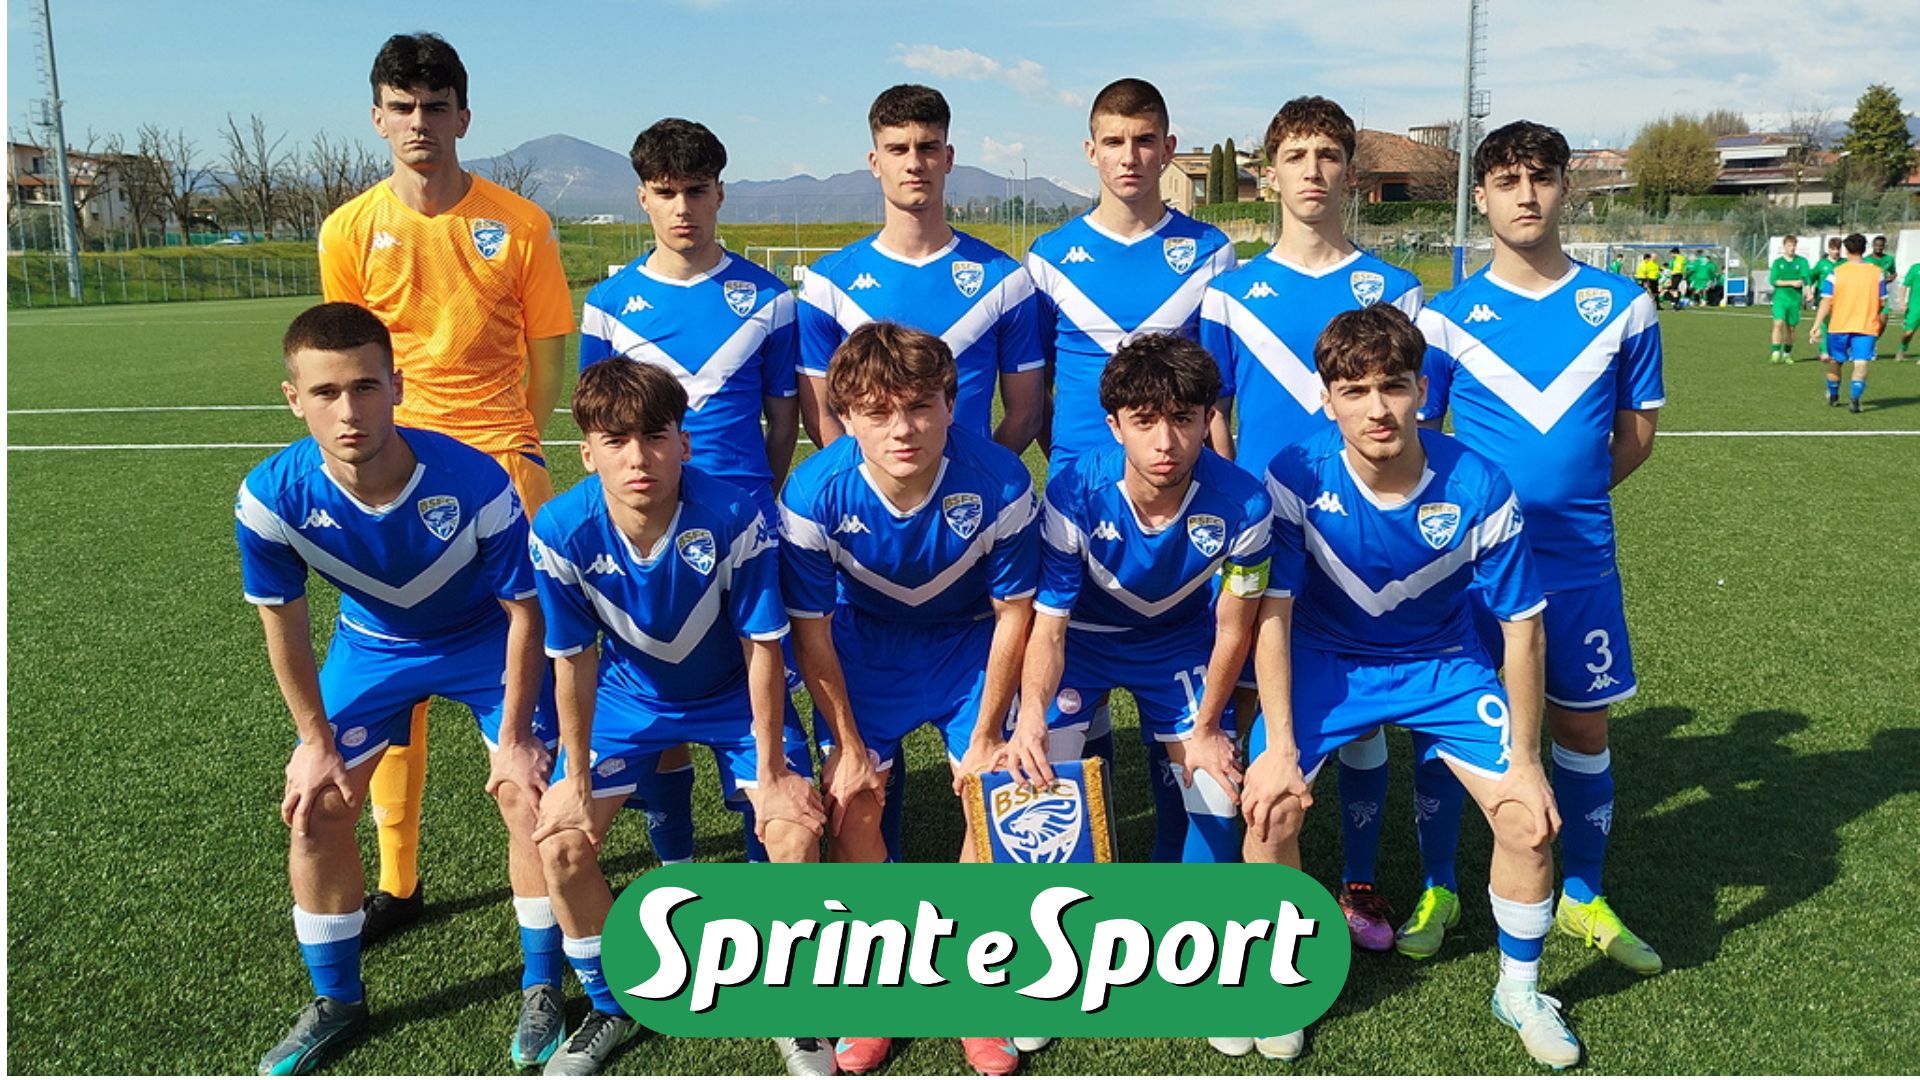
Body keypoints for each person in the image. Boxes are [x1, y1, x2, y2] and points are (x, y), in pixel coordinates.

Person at [1237, 303, 1576, 1069]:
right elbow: (1273, 615)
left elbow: (1523, 628)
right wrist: (1278, 746)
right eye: (1354, 391)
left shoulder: (1479, 485)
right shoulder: (1294, 475)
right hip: (1329, 659)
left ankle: (1520, 992)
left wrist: (1527, 759)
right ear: (1327, 399)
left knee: (1527, 818)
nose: (1377, 408)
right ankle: (1284, 983)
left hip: (1442, 664)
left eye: (1393, 386)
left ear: (1422, 389)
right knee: (1270, 808)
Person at [240, 303, 560, 1073]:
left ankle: (544, 982)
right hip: (374, 646)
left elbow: (526, 614)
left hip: (485, 640)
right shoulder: (271, 498)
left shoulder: (474, 480)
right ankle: (337, 1001)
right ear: (294, 399)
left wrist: (517, 738)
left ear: (398, 387)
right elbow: (283, 626)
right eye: (325, 392)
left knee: (529, 797)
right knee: (315, 805)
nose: (348, 411)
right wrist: (315, 742)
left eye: (365, 386)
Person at [317, 32, 574, 936]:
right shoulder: (348, 229)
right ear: (377, 117)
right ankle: (398, 881)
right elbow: (347, 356)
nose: (419, 122)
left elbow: (548, 348)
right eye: (402, 107)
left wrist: (520, 441)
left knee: (530, 662)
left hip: (502, 465)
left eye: (435, 106)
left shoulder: (520, 223)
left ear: (464, 116)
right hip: (392, 475)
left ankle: (555, 859)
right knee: (396, 666)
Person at [1408, 121, 1664, 976]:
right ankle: (1439, 886)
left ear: (1564, 189)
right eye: (1507, 181)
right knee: (1451, 727)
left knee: (1581, 728)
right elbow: (1424, 443)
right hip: (1473, 570)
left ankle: (1583, 895)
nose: (1526, 195)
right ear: (1480, 197)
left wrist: (1566, 498)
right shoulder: (1444, 319)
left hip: (1579, 561)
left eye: (1541, 178)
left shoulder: (1623, 306)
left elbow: (1636, 438)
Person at [527, 360, 828, 1076]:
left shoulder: (734, 515)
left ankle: (792, 1002)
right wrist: (573, 777)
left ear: (683, 443)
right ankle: (609, 1005)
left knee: (791, 832)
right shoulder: (560, 529)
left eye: (655, 437)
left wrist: (774, 774)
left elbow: (763, 647)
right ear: (587, 453)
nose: (639, 458)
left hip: (733, 694)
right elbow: (572, 659)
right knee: (560, 845)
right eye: (616, 440)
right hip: (629, 698)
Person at [779, 322, 1037, 1078]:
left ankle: (974, 982)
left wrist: (986, 736)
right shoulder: (814, 493)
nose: (903, 429)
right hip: (866, 649)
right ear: (844, 415)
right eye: (878, 411)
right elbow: (810, 630)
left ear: (950, 404)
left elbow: (1014, 614)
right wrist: (847, 744)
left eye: (921, 406)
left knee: (997, 797)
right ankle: (882, 980)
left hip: (967, 646)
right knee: (854, 802)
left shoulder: (1001, 482)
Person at [1197, 94, 1422, 951]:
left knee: (1360, 708)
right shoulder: (1229, 293)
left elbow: (1412, 420)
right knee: (1247, 693)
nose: (1313, 171)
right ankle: (1243, 878)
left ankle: (1358, 882)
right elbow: (1215, 418)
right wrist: (1237, 512)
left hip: (1362, 534)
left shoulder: (1394, 288)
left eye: (1328, 156)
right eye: (1296, 156)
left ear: (1351, 173)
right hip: (1265, 533)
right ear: (1269, 176)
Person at [578, 117, 804, 864]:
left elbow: (782, 419)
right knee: (658, 675)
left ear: (720, 195)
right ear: (642, 197)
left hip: (742, 528)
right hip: (644, 525)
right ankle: (674, 855)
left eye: (697, 191)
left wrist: (755, 499)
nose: (683, 208)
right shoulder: (609, 303)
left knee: (753, 678)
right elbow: (600, 418)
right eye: (666, 192)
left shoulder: (769, 298)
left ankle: (762, 853)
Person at [1026, 76, 1236, 863]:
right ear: (1090, 151)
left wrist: (1218, 487)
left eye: (1145, 140)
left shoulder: (1210, 251)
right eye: (1113, 141)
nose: (1130, 156)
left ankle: (1172, 872)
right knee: (1069, 708)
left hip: (1182, 501)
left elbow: (1213, 394)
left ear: (1169, 149)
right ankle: (1096, 859)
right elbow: (1034, 390)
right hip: (1083, 506)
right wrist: (1071, 467)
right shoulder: (1050, 257)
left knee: (1178, 702)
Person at [796, 84, 1044, 457]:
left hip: (969, 491)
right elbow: (821, 415)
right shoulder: (827, 284)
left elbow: (1025, 414)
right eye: (897, 149)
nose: (914, 163)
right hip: (870, 491)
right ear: (875, 162)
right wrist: (871, 481)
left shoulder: (1005, 280)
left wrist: (979, 476)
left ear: (948, 157)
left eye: (927, 147)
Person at [1810, 232, 1887, 412]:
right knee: (1861, 363)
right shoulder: (1877, 273)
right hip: (1866, 326)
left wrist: (1816, 325)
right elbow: (1882, 301)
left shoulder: (1837, 272)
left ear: (1846, 250)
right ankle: (1854, 398)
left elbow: (1826, 300)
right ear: (1864, 249)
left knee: (1835, 362)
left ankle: (1833, 395)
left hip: (1839, 325)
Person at [1768, 236, 1811, 363]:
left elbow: (1806, 279)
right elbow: (1773, 281)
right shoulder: (1778, 262)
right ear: (1784, 246)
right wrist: (1791, 282)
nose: (1791, 248)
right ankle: (1775, 352)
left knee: (1791, 328)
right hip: (1780, 298)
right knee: (1778, 323)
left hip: (1795, 299)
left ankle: (1787, 354)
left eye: (1793, 246)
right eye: (1789, 246)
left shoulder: (1802, 261)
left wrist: (1808, 293)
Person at [1809, 237, 1844, 362]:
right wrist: (1808, 291)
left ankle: (1835, 350)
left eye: (1838, 249)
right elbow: (1810, 277)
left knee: (1837, 325)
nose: (1836, 252)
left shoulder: (1844, 263)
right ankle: (1824, 351)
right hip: (1824, 298)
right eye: (1833, 249)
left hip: (1841, 299)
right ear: (1828, 249)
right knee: (1824, 324)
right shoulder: (1821, 264)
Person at [1897, 258, 1920, 361]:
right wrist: (1902, 302)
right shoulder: (1915, 268)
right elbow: (1905, 286)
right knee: (1908, 333)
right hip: (1914, 307)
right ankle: (1902, 348)